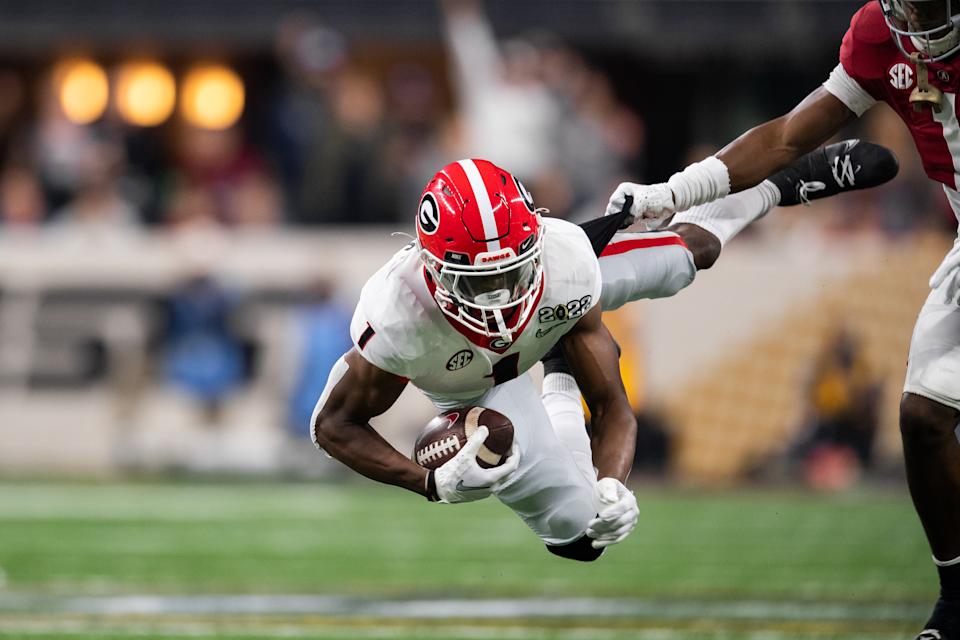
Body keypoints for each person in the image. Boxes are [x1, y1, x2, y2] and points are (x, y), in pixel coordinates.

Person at [311, 143, 895, 562]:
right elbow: (332, 424)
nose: (496, 299)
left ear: (534, 246)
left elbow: (613, 404)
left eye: (508, 275)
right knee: (580, 537)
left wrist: (614, 480)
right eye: (477, 283)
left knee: (691, 253)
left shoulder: (563, 265)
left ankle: (776, 184)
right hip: (480, 391)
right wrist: (426, 483)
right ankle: (555, 360)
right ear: (432, 272)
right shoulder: (401, 316)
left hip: (557, 303)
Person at [605, 3, 960, 636]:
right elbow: (792, 132)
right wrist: (675, 191)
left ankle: (764, 195)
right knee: (923, 415)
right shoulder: (881, 34)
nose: (912, 13)